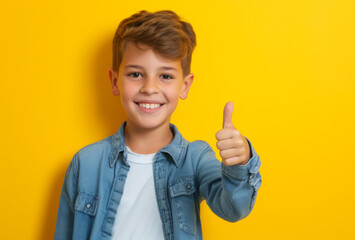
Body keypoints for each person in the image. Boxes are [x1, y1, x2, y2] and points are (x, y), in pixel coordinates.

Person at [54, 10, 261, 240]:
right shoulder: (86, 163)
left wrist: (240, 162)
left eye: (165, 76)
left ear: (185, 85)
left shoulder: (196, 158)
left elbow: (234, 208)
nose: (150, 88)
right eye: (135, 74)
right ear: (115, 82)